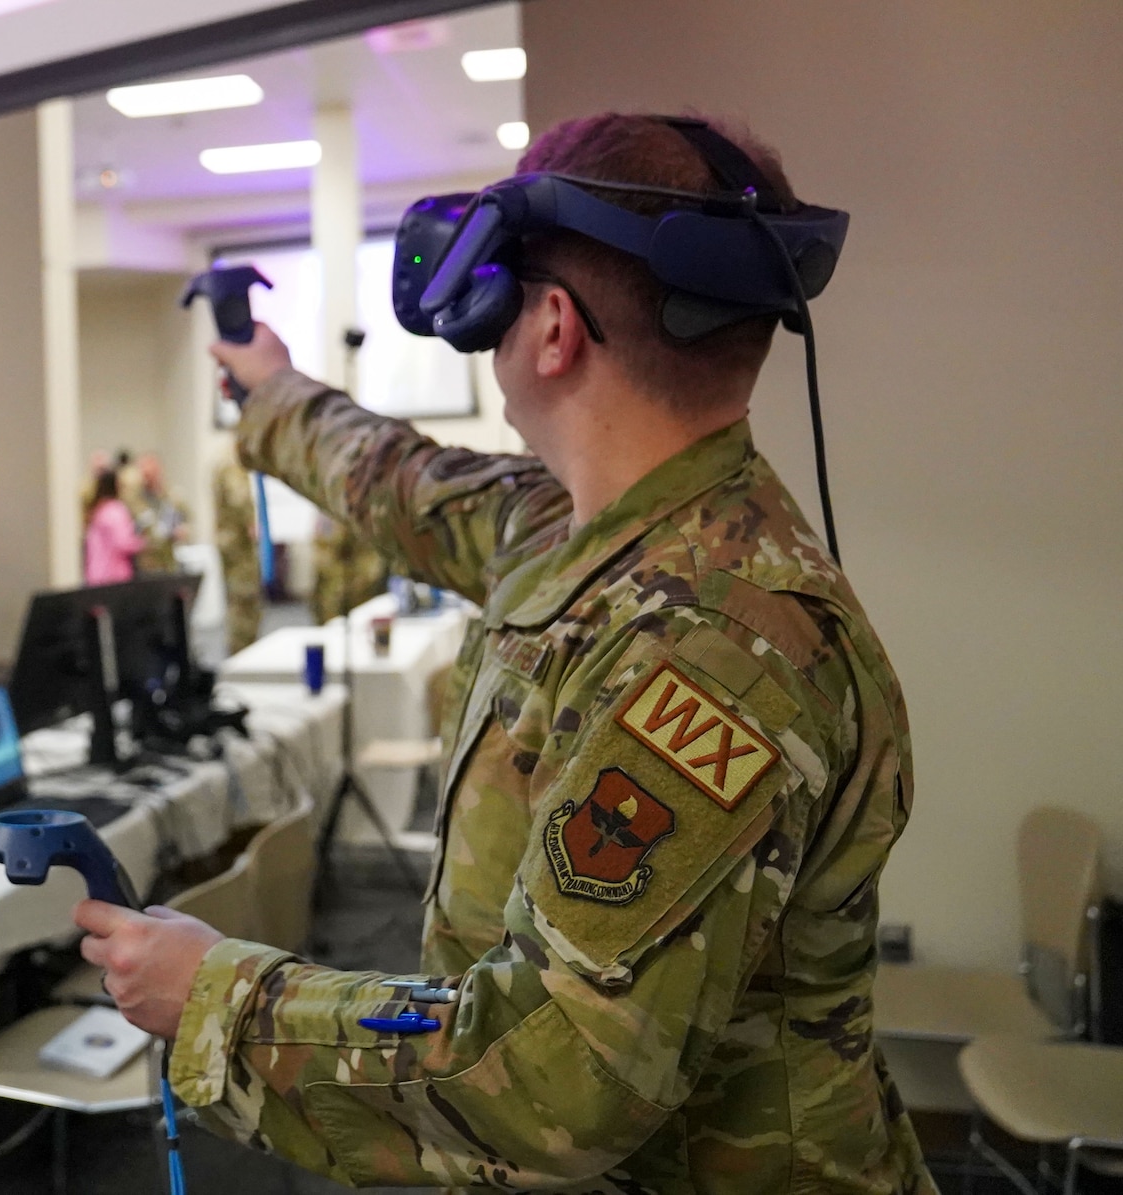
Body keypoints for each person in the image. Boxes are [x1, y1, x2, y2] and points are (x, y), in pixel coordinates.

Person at [73, 113, 928, 1190]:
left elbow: (552, 1069)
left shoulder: (712, 645)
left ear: (552, 326)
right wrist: (271, 388)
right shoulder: (581, 529)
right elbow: (395, 479)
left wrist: (217, 995)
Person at [212, 455, 263, 655]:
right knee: (245, 602)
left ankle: (241, 651)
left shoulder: (222, 463)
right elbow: (238, 498)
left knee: (238, 600)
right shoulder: (233, 465)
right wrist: (251, 522)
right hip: (238, 545)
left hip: (230, 543)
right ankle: (242, 653)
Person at [308, 513, 389, 624]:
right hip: (333, 591)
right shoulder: (328, 511)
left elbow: (371, 558)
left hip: (361, 592)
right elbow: (322, 554)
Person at [127, 455, 189, 576]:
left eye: (152, 473)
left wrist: (183, 531)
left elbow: (186, 520)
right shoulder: (133, 501)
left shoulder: (173, 497)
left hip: (169, 561)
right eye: (145, 474)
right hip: (145, 564)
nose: (149, 478)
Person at [82, 469, 142, 586]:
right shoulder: (116, 510)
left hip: (96, 574)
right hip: (115, 576)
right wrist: (141, 543)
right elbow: (123, 543)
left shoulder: (97, 510)